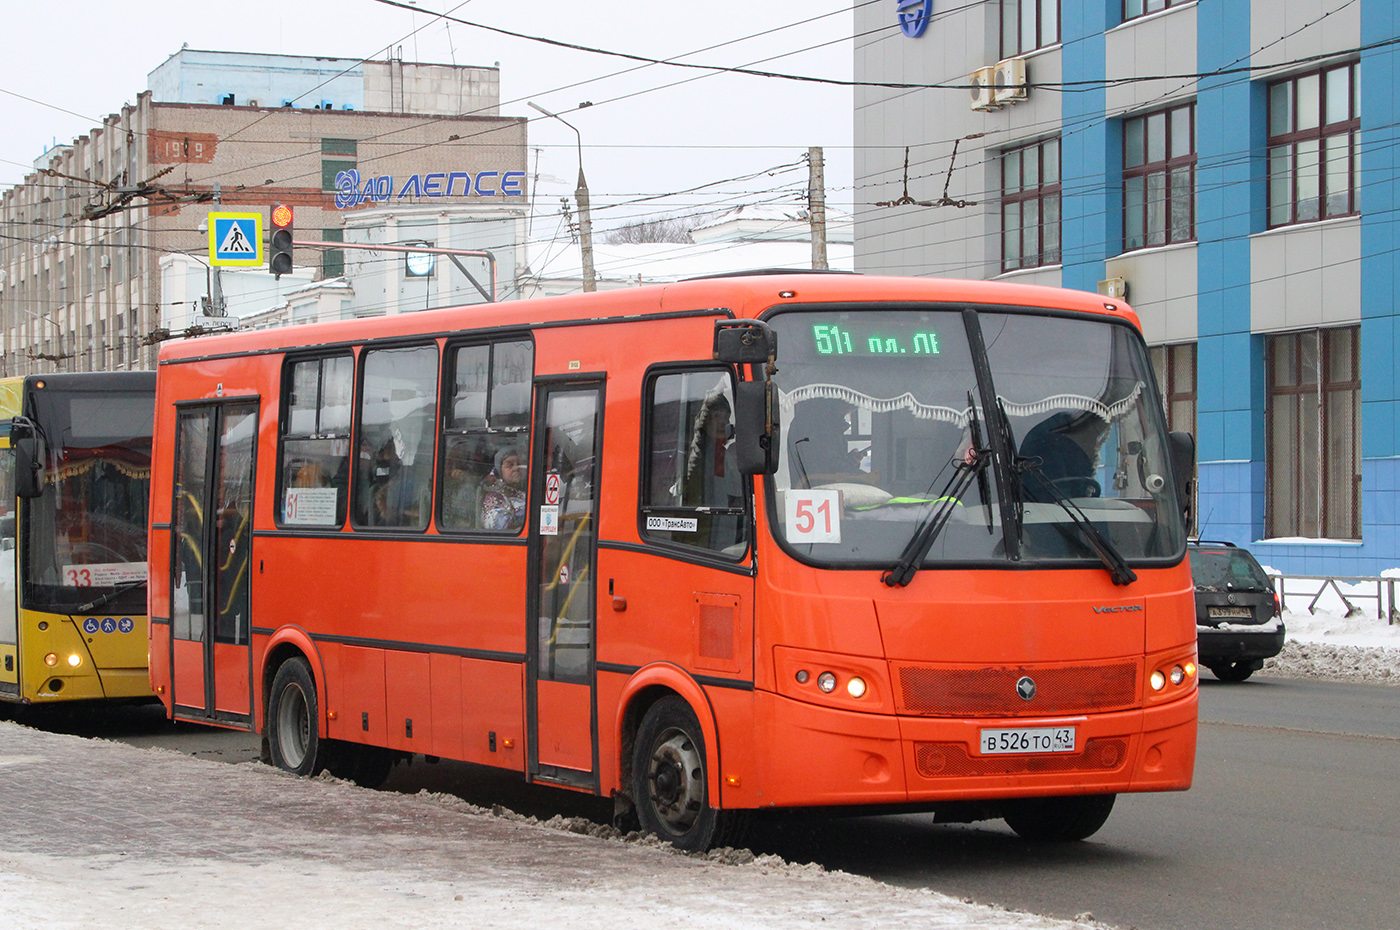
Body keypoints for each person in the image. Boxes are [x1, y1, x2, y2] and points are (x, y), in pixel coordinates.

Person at [479, 447, 527, 531]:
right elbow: (498, 524)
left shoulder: (529, 490)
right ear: (500, 470)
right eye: (509, 465)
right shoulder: (493, 496)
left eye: (519, 464)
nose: (516, 468)